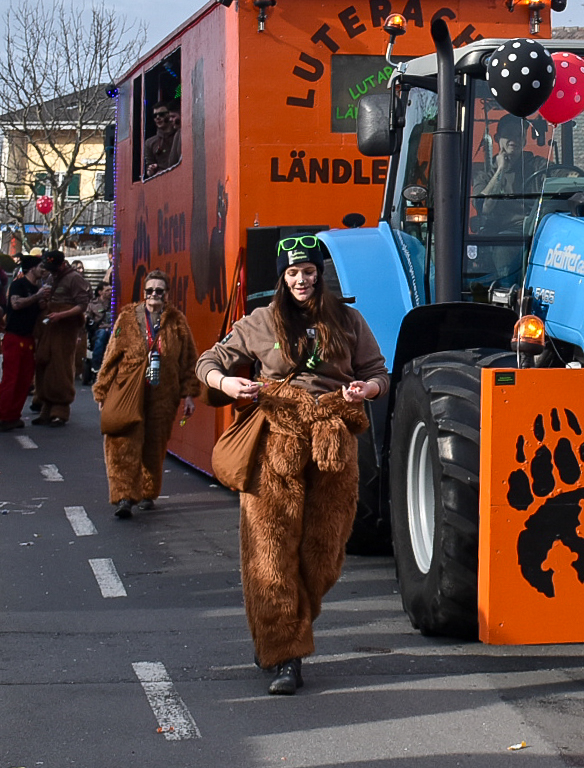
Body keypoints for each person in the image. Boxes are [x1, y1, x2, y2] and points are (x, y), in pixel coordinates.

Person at [196, 238, 389, 695]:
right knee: (270, 552)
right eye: (293, 273)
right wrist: (229, 384)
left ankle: (283, 630)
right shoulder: (260, 321)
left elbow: (378, 373)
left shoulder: (348, 320)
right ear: (282, 278)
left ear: (320, 274)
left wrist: (366, 391)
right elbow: (208, 362)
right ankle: (284, 653)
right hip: (275, 442)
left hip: (332, 444)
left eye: (308, 271)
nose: (301, 280)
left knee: (323, 555)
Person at [93, 271, 199, 519]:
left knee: (154, 443)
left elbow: (188, 360)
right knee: (123, 442)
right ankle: (123, 497)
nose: (154, 295)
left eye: (159, 291)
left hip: (163, 393)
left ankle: (148, 492)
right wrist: (102, 391)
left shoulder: (177, 321)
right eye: (149, 290)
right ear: (143, 293)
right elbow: (111, 356)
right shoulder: (127, 318)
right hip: (128, 389)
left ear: (167, 294)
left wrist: (189, 394)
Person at [32, 249, 91, 425]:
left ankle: (60, 408)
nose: (51, 271)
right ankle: (45, 405)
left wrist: (61, 315)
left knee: (60, 365)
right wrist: (43, 301)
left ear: (62, 264)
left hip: (65, 328)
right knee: (43, 361)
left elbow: (82, 305)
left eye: (54, 267)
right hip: (49, 325)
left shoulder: (75, 278)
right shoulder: (52, 278)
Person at [0, 256, 51, 431]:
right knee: (11, 379)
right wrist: (37, 297)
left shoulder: (37, 288)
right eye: (40, 266)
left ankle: (13, 416)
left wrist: (43, 303)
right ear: (31, 268)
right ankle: (3, 415)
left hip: (29, 338)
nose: (43, 270)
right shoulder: (19, 284)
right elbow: (15, 304)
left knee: (24, 380)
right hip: (14, 337)